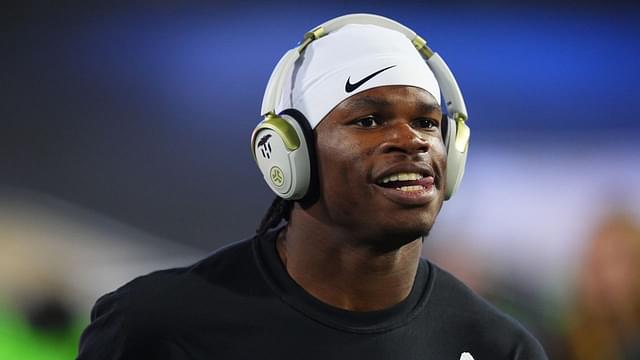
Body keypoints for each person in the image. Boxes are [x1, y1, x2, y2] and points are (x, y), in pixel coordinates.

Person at [77, 14, 547, 360]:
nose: (411, 141)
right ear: (289, 154)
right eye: (368, 119)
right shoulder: (156, 325)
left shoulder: (499, 348)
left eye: (427, 123)